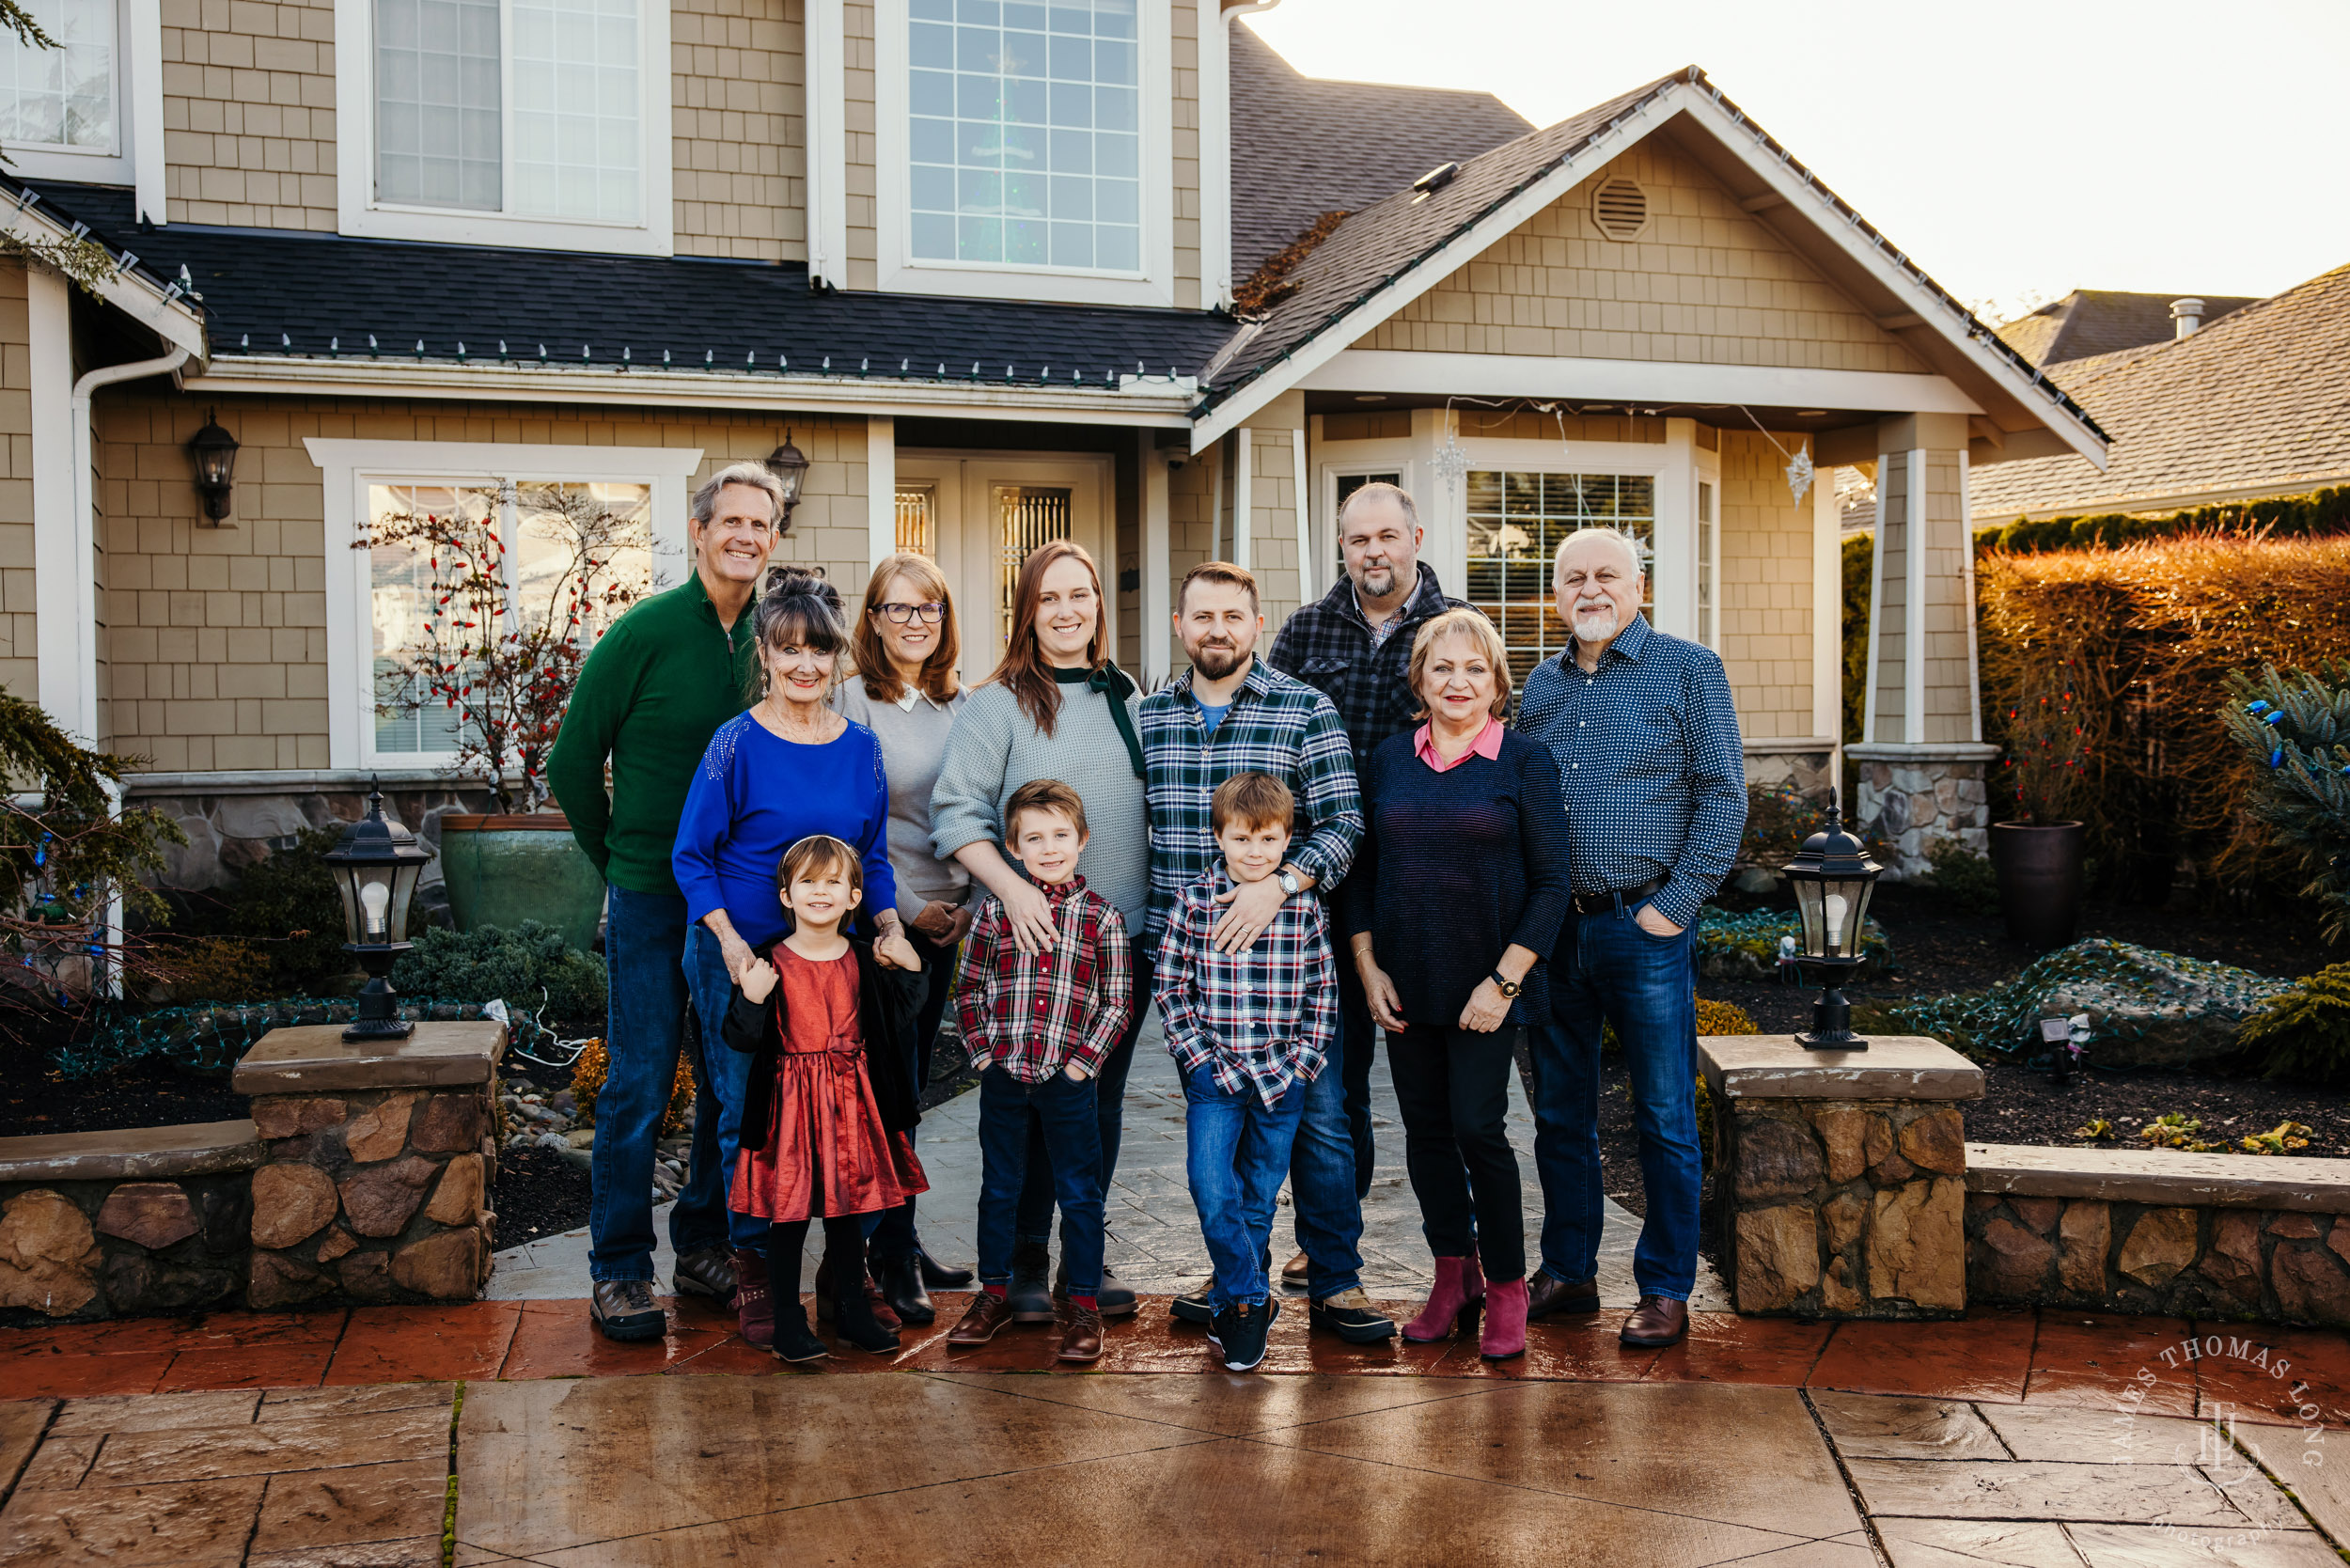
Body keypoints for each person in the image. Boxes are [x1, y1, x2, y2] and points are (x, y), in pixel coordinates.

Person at [545, 460, 785, 1343]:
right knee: (641, 1084)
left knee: (731, 1084)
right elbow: (570, 764)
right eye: (732, 522)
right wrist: (615, 859)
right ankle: (619, 1271)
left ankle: (702, 1246)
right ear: (699, 530)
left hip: (738, 903)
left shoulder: (773, 637)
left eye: (762, 525)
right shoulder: (642, 635)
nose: (746, 537)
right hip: (651, 895)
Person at [1137, 561, 1391, 1344]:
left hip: (1289, 960)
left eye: (1233, 616)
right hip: (1195, 969)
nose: (1217, 629)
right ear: (1180, 626)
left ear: (1256, 624)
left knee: (1318, 1119)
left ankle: (1336, 1278)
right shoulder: (1147, 721)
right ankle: (1237, 1274)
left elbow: (1346, 825)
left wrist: (1278, 884)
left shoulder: (1303, 710)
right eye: (1202, 616)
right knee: (1222, 1126)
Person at [673, 568, 922, 1349]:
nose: (806, 666)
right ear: (766, 653)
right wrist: (735, 948)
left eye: (820, 651)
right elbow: (692, 857)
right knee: (752, 1114)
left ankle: (843, 1281)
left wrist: (888, 927)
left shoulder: (861, 750)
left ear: (839, 656)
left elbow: (873, 854)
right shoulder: (734, 743)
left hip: (832, 958)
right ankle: (756, 1274)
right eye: (790, 651)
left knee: (847, 1111)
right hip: (744, 958)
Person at [1516, 528, 1747, 1350]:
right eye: (1572, 578)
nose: (1590, 590)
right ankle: (1571, 1271)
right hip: (1558, 932)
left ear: (1638, 586)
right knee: (1561, 1113)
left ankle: (1664, 1287)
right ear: (1554, 597)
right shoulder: (1538, 687)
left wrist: (1677, 903)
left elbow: (1724, 795)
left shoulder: (1689, 669)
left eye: (1606, 575)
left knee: (1660, 1115)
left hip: (1644, 926)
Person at [930, 541, 1152, 1320]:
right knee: (1024, 1107)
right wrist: (1013, 893)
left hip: (1116, 940)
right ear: (1027, 611)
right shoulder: (997, 706)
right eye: (1049, 597)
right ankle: (1022, 1261)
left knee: (1094, 1107)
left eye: (1080, 595)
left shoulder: (1122, 693)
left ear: (1098, 603)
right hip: (1029, 943)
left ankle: (1078, 1267)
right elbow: (955, 814)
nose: (1067, 611)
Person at [1347, 608, 1571, 1361]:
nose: (1458, 681)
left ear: (1497, 682)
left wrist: (1502, 983)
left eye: (1474, 668)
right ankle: (1454, 1274)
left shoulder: (1524, 760)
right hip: (1407, 979)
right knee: (1426, 1136)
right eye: (1442, 667)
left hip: (1487, 985)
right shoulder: (1387, 759)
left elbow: (1552, 885)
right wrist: (1368, 964)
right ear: (1420, 679)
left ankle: (1506, 1284)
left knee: (1479, 1130)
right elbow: (1363, 872)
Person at [1265, 481, 1469, 1283]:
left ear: (1415, 536)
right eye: (1359, 540)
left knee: (1450, 1094)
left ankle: (1463, 1254)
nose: (1374, 552)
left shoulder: (1454, 629)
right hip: (1325, 890)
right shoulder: (1305, 631)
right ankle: (1328, 1243)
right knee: (1335, 1084)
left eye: (1388, 535)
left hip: (1433, 889)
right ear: (1342, 547)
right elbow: (1269, 727)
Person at [832, 552, 978, 1322]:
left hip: (954, 920)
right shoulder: (853, 702)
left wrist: (969, 907)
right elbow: (851, 828)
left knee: (911, 1088)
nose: (914, 622)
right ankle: (880, 1256)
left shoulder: (965, 704)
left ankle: (900, 1234)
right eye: (898, 609)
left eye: (929, 608)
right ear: (874, 619)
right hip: (887, 923)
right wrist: (915, 909)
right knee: (885, 1091)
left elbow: (986, 809)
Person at [720, 835, 928, 1361]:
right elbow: (739, 1037)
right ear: (786, 895)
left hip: (852, 1105)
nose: (820, 892)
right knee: (787, 1216)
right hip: (788, 1110)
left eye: (833, 882)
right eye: (807, 882)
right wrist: (751, 998)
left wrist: (912, 968)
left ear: (854, 897)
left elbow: (897, 1019)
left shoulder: (864, 959)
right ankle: (789, 1321)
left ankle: (852, 1310)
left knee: (847, 1212)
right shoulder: (767, 961)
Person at [1154, 772, 1337, 1372]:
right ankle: (1252, 1295)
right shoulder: (1193, 901)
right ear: (1219, 837)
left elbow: (1322, 992)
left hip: (1283, 1080)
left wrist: (1304, 1063)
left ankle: (1237, 1309)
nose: (1254, 853)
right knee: (1211, 1188)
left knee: (1258, 1196)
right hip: (1216, 1078)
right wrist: (1199, 1058)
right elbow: (1172, 986)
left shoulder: (1304, 908)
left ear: (1287, 841)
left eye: (1268, 841)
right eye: (1241, 839)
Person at [946, 780, 1133, 1364]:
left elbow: (1117, 1000)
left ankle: (1082, 1306)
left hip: (1068, 1080)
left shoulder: (1102, 918)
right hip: (1005, 1074)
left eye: (1060, 836)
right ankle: (994, 1294)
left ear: (1081, 840)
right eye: (1034, 838)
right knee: (999, 1187)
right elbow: (970, 987)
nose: (1049, 848)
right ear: (1012, 847)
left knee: (1079, 1193)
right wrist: (983, 1055)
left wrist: (1082, 1067)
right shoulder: (995, 914)